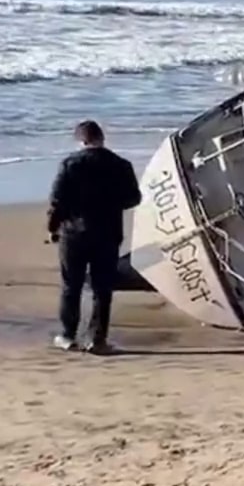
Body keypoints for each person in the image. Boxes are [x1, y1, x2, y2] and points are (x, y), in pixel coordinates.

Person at [46, 119, 142, 354]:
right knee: (102, 288)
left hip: (73, 234)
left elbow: (57, 201)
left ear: (81, 141)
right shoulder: (121, 165)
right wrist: (111, 203)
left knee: (71, 286)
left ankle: (68, 336)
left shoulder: (70, 164)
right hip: (108, 232)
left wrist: (52, 227)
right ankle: (97, 340)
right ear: (101, 138)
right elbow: (134, 198)